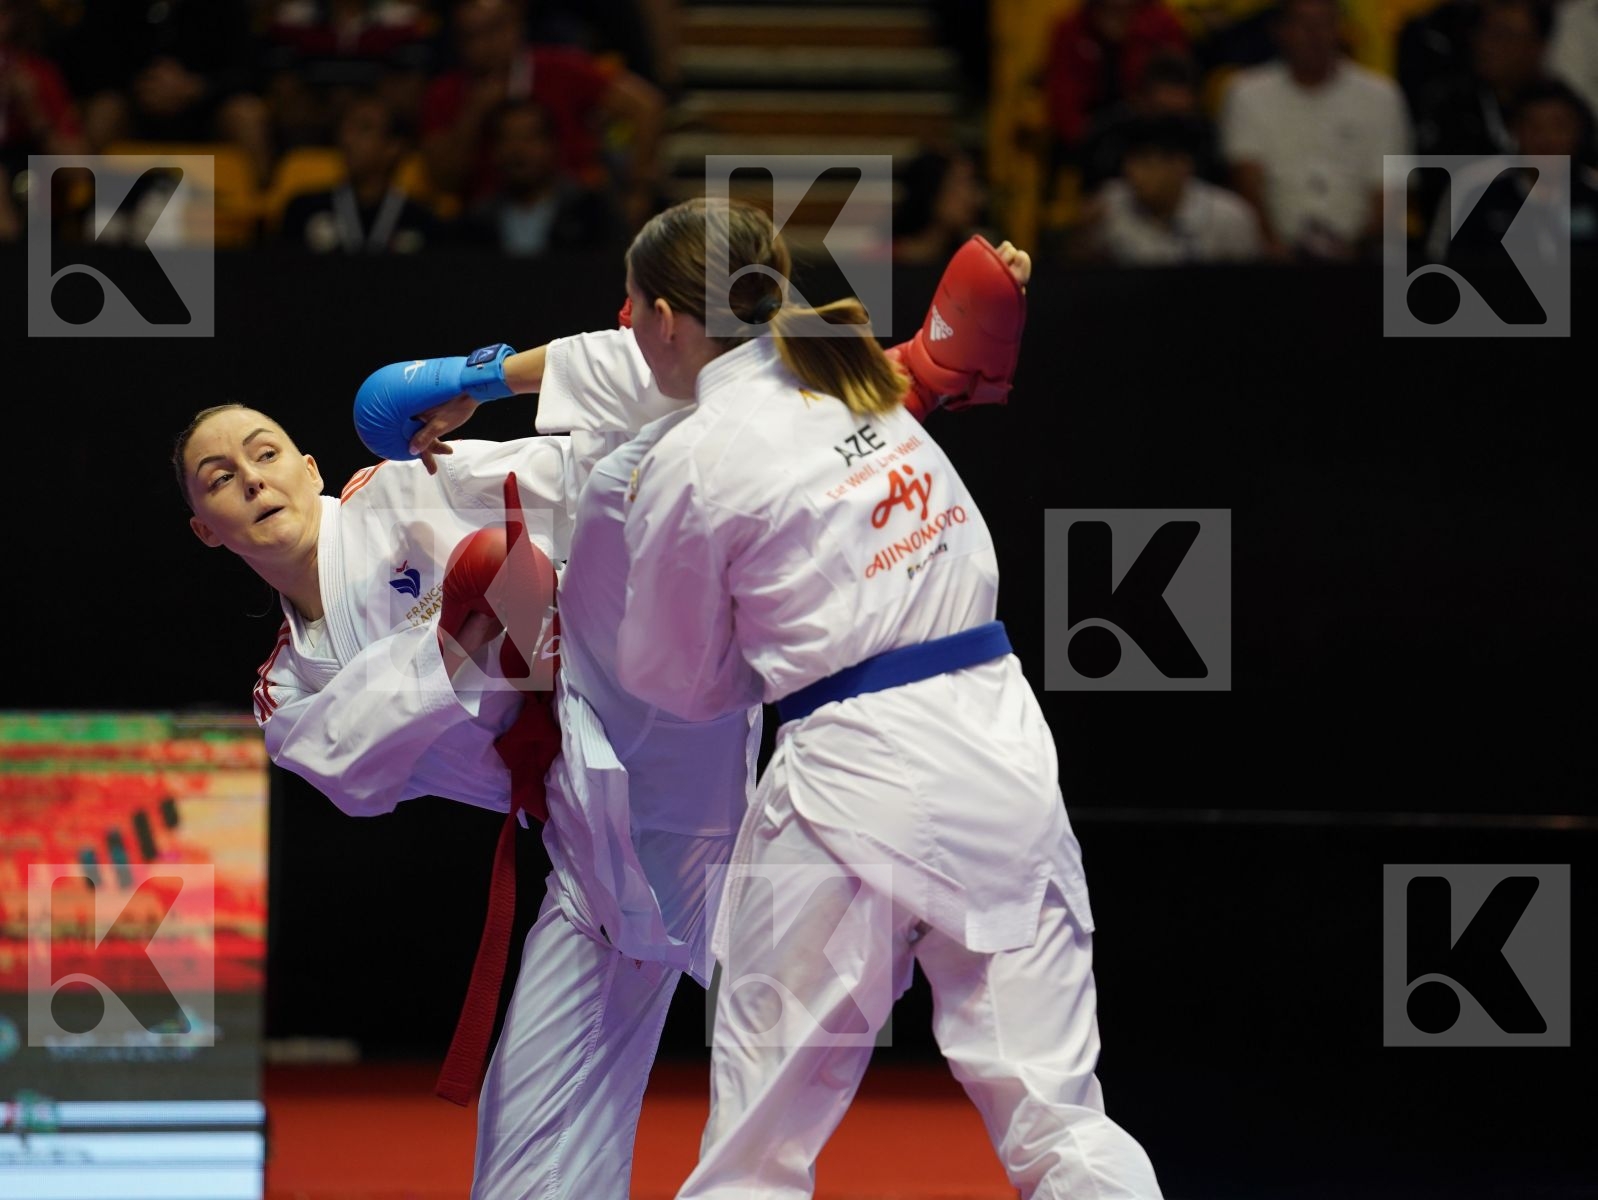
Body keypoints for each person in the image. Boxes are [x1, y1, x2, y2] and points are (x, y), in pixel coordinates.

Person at [607, 198, 1163, 1199]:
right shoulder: (855, 380)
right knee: (1060, 1117)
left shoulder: (689, 457)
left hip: (843, 781)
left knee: (755, 1148)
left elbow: (676, 685)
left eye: (632, 304)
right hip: (1000, 755)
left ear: (662, 318)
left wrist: (752, 651)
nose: (626, 324)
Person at [1220, 0, 1411, 260]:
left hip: (1360, 256)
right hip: (1274, 256)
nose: (1314, 35)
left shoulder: (1382, 96)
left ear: (1340, 29)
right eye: (1304, 24)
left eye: (1324, 24)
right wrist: (1275, 250)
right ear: (1281, 30)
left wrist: (1357, 252)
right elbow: (1246, 184)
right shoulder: (1246, 93)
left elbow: (1391, 191)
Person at [1077, 113, 1264, 263]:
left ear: (1181, 166)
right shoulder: (1108, 205)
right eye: (1130, 161)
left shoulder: (1229, 217)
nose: (1132, 172)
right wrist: (1083, 233)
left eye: (1146, 162)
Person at [279, 93, 442, 253]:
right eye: (346, 128)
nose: (347, 139)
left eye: (364, 128)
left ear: (393, 147)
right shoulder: (304, 210)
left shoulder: (419, 220)